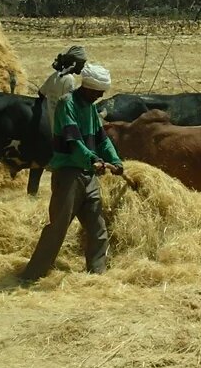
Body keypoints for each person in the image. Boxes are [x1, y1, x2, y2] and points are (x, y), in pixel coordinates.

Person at [18, 64, 123, 284]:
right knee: (58, 227)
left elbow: (102, 139)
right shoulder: (68, 104)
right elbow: (73, 140)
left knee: (97, 228)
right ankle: (32, 275)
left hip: (88, 175)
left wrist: (115, 160)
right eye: (98, 92)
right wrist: (92, 159)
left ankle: (97, 275)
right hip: (69, 174)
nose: (101, 96)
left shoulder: (91, 109)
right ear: (87, 87)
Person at [39, 45, 87, 116]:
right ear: (75, 63)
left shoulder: (54, 75)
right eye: (82, 63)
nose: (83, 66)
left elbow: (41, 93)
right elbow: (70, 105)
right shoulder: (69, 79)